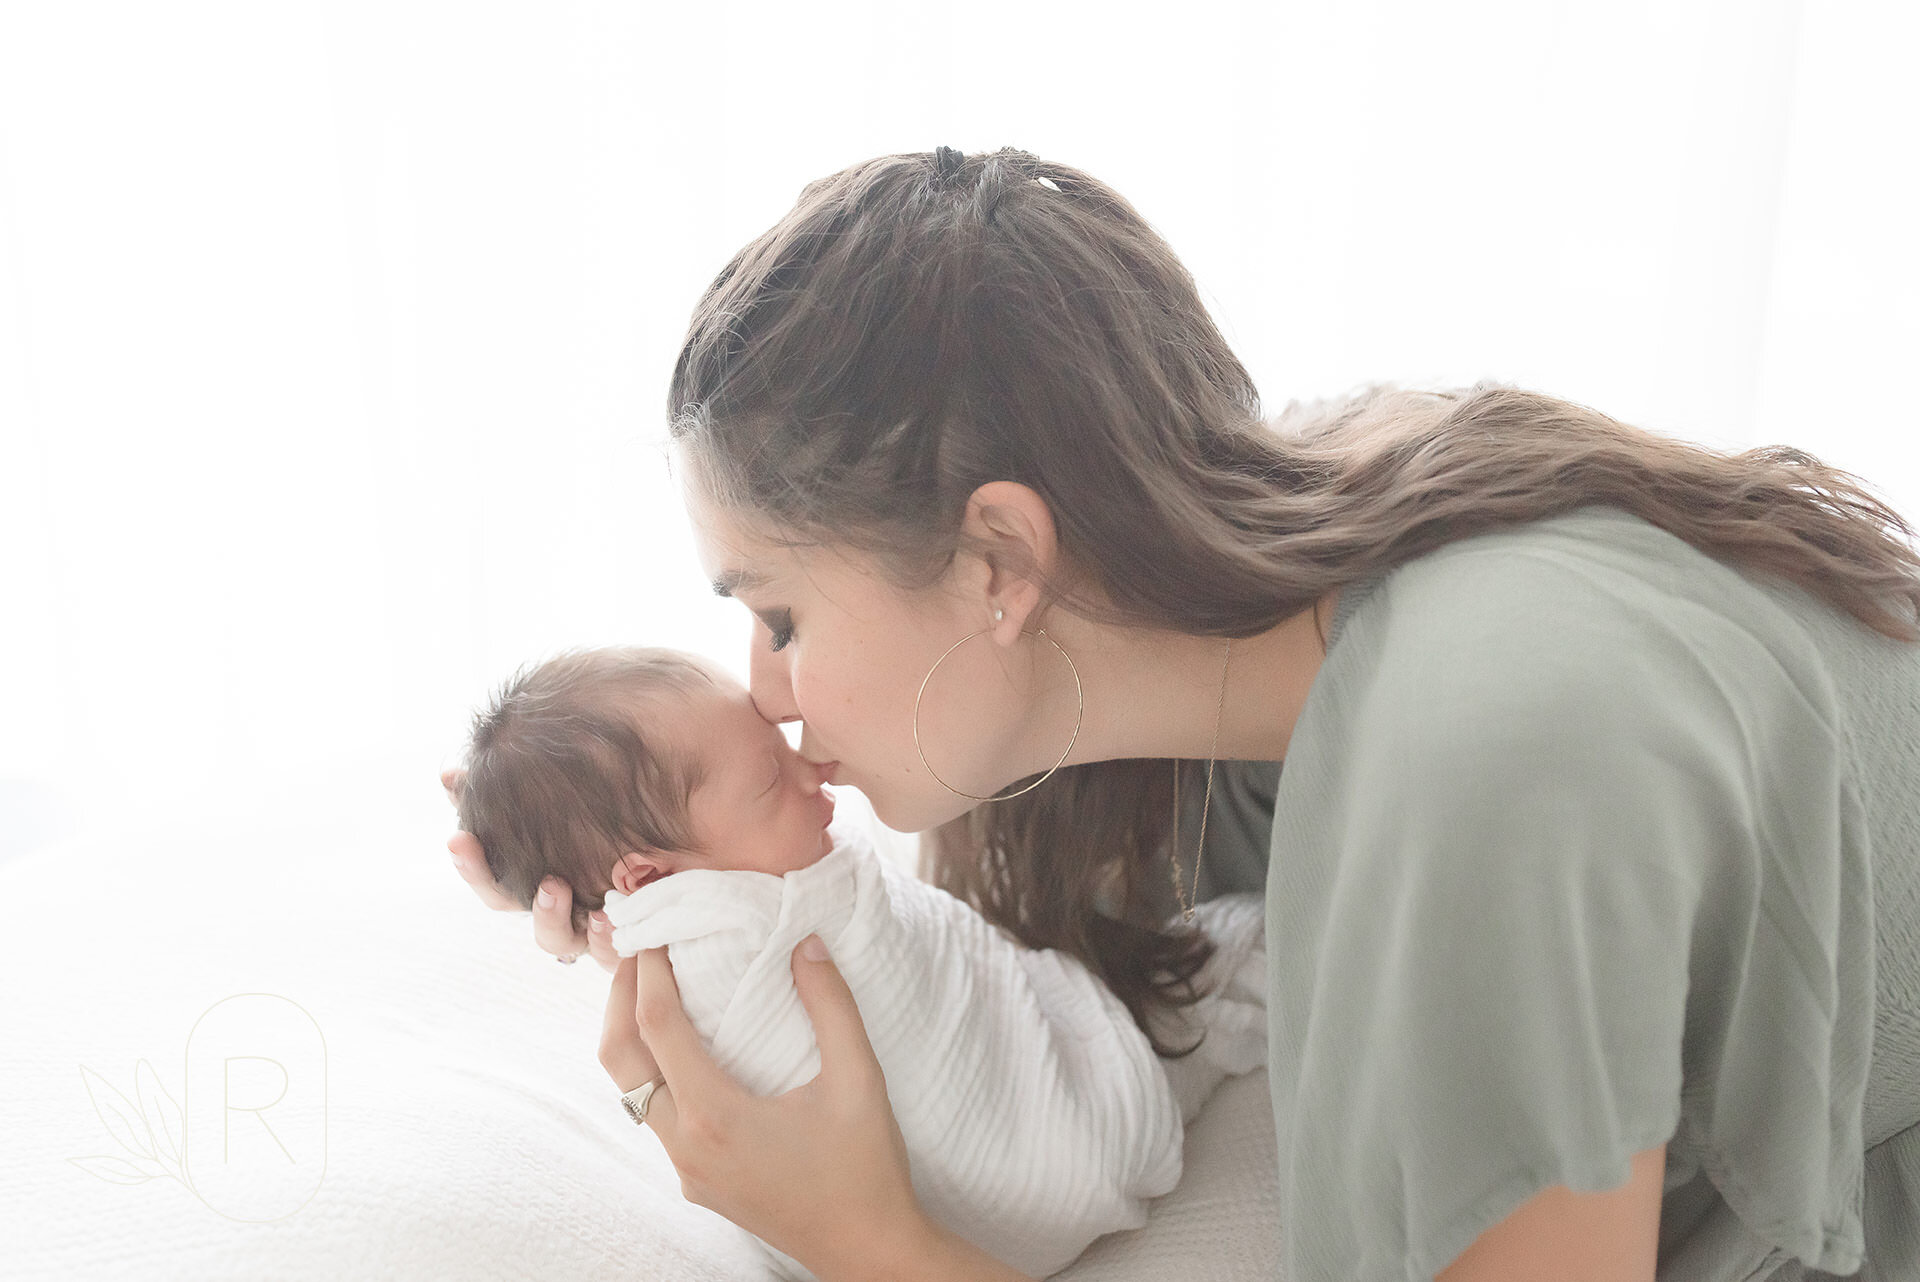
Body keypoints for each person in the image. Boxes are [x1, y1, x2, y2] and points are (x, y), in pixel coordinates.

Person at [445, 145, 1920, 1282]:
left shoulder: (1487, 760)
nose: (763, 693)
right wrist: (672, 914)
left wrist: (877, 1244)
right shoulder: (1255, 616)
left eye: (778, 614)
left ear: (999, 563)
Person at [444, 644, 1267, 1279]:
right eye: (771, 778)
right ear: (650, 878)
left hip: (948, 1223)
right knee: (1229, 965)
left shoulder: (689, 905)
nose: (816, 770)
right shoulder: (732, 930)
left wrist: (610, 914)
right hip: (1053, 1146)